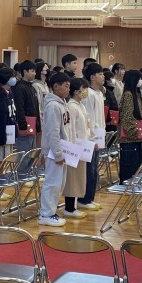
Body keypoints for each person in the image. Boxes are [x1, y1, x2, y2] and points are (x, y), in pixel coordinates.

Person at [39, 72, 72, 227]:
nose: (68, 89)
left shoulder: (62, 104)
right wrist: (58, 154)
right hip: (54, 152)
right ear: (56, 87)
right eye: (66, 86)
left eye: (69, 86)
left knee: (59, 183)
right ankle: (46, 214)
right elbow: (53, 132)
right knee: (52, 183)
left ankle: (51, 211)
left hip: (61, 150)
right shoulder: (52, 106)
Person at [79, 62, 105, 210]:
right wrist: (92, 139)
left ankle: (90, 198)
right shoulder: (87, 93)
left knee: (94, 169)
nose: (103, 76)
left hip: (99, 135)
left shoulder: (100, 93)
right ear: (92, 77)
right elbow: (89, 118)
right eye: (100, 74)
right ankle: (84, 200)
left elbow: (100, 118)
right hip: (90, 137)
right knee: (89, 170)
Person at [63, 78, 90, 219]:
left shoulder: (81, 105)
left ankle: (73, 206)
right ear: (75, 91)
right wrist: (73, 146)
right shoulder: (72, 107)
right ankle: (69, 208)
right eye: (83, 89)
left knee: (79, 178)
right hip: (75, 146)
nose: (85, 92)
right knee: (72, 178)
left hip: (83, 145)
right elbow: (71, 128)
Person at [0, 67, 18, 194]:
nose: (14, 79)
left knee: (4, 160)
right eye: (12, 76)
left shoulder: (9, 92)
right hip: (0, 133)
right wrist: (0, 136)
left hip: (9, 131)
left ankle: (0, 186)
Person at [118, 70, 142, 182]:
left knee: (136, 167)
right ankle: (126, 187)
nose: (141, 81)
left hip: (137, 137)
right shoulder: (128, 95)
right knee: (129, 168)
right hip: (129, 138)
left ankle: (132, 186)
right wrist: (135, 132)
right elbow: (127, 117)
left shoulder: (136, 94)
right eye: (139, 79)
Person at [13, 60, 40, 170]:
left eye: (35, 71)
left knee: (31, 156)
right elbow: (19, 108)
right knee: (24, 157)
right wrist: (23, 126)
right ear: (25, 71)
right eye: (32, 71)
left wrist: (38, 126)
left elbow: (36, 108)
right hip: (25, 125)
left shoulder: (32, 88)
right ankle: (20, 178)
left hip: (33, 125)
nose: (34, 73)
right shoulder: (19, 87)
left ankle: (26, 177)